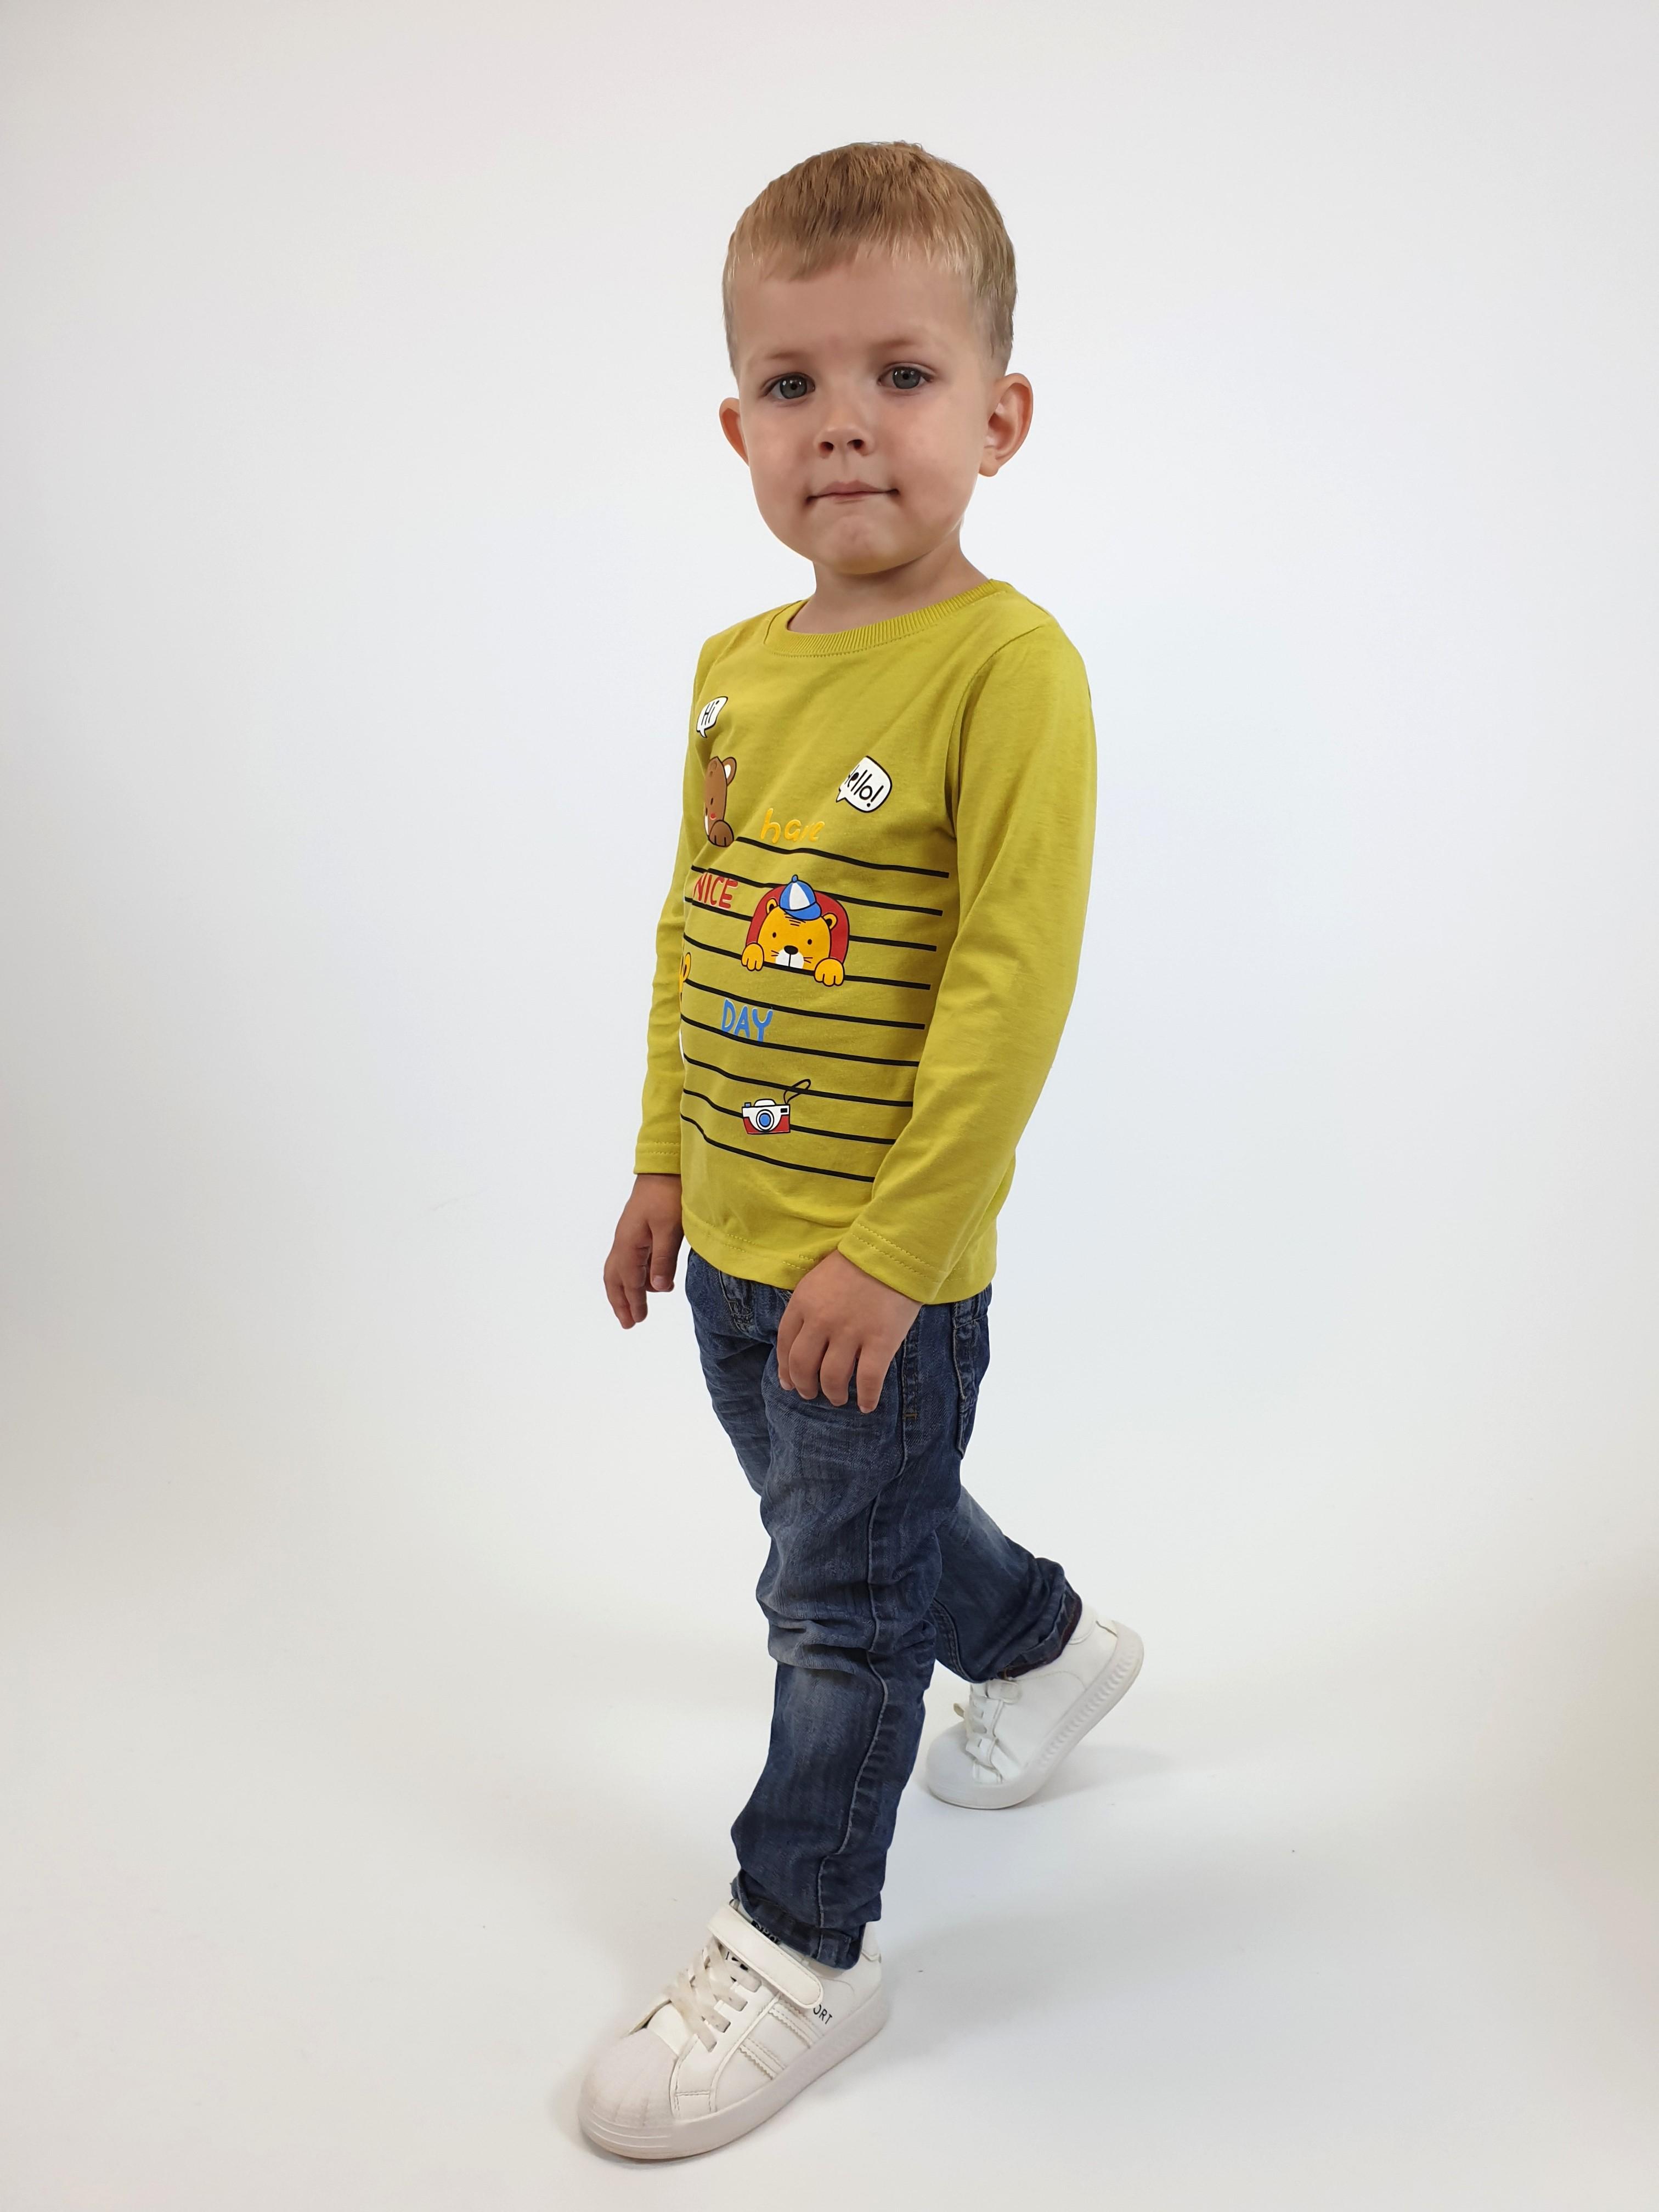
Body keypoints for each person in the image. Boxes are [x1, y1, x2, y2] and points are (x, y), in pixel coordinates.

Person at [583, 140, 1142, 2162]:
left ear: (1000, 416)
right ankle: (1048, 1648)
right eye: (795, 383)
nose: (846, 425)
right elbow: (699, 924)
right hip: (737, 1243)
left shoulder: (1010, 669)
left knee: (830, 1604)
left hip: (876, 1266)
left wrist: (901, 1250)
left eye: (902, 376)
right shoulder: (738, 670)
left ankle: (805, 1939)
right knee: (854, 1529)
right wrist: (663, 1157)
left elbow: (1009, 989)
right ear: (739, 427)